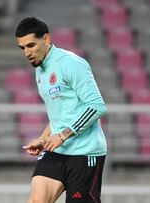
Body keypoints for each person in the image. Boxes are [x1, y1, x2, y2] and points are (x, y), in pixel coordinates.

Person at [15, 17, 107, 203]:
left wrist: (62, 136)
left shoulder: (71, 63)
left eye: (31, 45)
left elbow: (96, 106)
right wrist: (43, 139)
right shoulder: (40, 70)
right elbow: (60, 114)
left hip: (84, 154)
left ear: (46, 39)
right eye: (23, 48)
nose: (27, 52)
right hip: (56, 152)